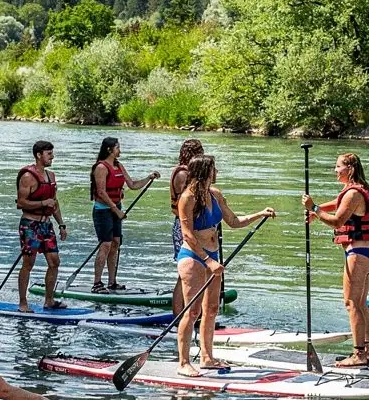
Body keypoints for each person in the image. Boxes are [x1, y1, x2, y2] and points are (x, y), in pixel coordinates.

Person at [176, 154, 275, 375]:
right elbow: (187, 234)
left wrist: (260, 214)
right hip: (193, 257)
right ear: (204, 171)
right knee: (192, 311)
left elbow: (233, 221)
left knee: (211, 309)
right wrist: (208, 260)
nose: (217, 172)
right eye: (214, 169)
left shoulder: (215, 194)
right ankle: (183, 363)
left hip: (213, 257)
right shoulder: (187, 198)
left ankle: (207, 357)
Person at [302, 152, 369, 368]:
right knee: (361, 304)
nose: (335, 170)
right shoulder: (360, 190)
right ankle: (368, 351)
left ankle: (358, 354)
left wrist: (314, 208)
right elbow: (338, 203)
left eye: (338, 166)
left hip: (357, 254)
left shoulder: (353, 193)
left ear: (350, 169)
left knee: (351, 304)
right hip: (366, 254)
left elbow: (337, 221)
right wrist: (317, 209)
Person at [90, 137, 160, 293]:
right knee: (106, 244)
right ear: (109, 150)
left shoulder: (118, 165)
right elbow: (101, 192)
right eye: (117, 148)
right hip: (103, 211)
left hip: (116, 208)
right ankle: (97, 283)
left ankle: (112, 282)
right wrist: (116, 210)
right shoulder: (101, 167)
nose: (120, 150)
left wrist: (149, 178)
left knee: (116, 243)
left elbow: (133, 185)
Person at [16, 140, 67, 312]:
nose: (52, 157)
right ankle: (23, 303)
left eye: (52, 153)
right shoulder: (27, 177)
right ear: (39, 155)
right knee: (28, 263)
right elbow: (21, 203)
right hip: (30, 224)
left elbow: (55, 203)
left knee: (54, 261)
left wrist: (61, 224)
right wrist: (43, 203)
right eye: (49, 154)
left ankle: (49, 300)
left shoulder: (51, 176)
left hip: (47, 225)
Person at [169, 137, 205, 315]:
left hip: (193, 224)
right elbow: (188, 201)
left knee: (196, 271)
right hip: (183, 225)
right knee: (184, 272)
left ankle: (191, 312)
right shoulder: (182, 174)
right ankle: (178, 314)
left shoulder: (189, 173)